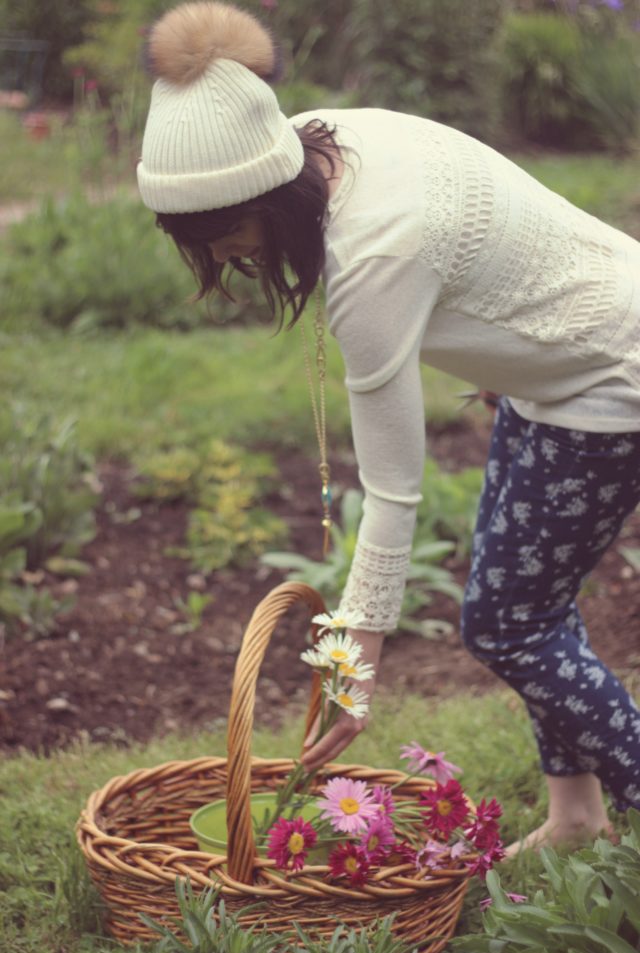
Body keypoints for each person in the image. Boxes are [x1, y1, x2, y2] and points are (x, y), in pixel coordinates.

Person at [137, 0, 640, 853]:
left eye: (224, 237)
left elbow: (394, 492)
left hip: (608, 378)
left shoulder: (372, 259)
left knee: (508, 623)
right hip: (559, 365)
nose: (222, 258)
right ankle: (577, 817)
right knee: (532, 606)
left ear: (269, 194)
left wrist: (351, 666)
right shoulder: (318, 140)